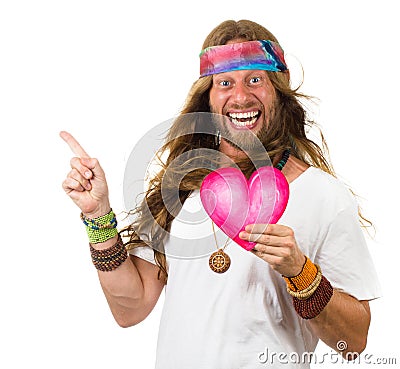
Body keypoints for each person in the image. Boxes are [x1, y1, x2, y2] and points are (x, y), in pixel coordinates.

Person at [61, 19, 381, 368]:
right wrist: (97, 217)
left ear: (280, 87)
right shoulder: (180, 186)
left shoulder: (324, 195)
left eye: (255, 79)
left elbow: (353, 343)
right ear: (208, 97)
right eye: (225, 82)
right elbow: (131, 308)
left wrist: (301, 273)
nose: (240, 96)